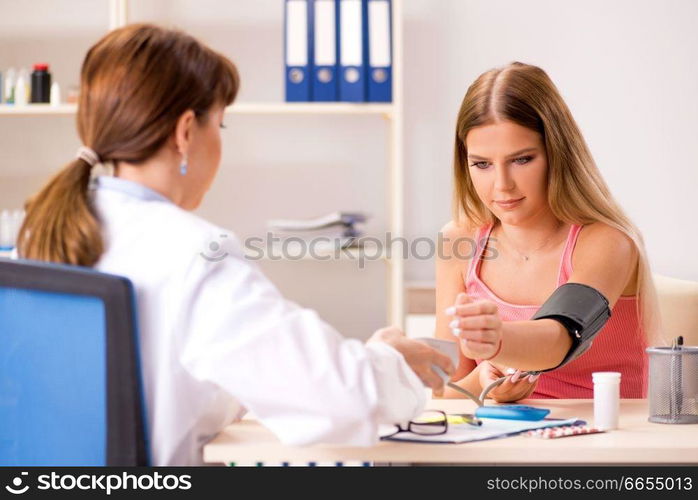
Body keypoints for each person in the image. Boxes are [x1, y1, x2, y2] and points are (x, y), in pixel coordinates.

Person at [17, 24, 453, 465]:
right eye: (219, 122)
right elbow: (340, 398)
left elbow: (160, 382)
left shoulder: (46, 230)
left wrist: (358, 359)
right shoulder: (193, 252)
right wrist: (390, 363)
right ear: (185, 132)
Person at [436, 62, 662, 402]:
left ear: (557, 155)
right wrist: (484, 381)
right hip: (498, 443)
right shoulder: (459, 241)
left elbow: (561, 336)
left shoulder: (607, 242)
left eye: (522, 160)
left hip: (600, 440)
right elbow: (445, 390)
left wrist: (498, 341)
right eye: (481, 164)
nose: (502, 185)